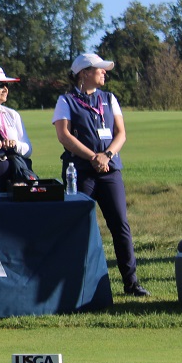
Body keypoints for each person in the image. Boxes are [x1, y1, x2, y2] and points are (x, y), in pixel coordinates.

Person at [53, 53, 148, 297]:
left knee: (120, 225)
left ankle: (131, 282)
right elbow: (64, 136)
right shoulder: (66, 100)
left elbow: (121, 133)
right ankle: (75, 285)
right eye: (99, 69)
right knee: (79, 226)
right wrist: (93, 157)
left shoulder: (109, 98)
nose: (104, 72)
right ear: (84, 73)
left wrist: (105, 155)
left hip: (110, 169)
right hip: (80, 171)